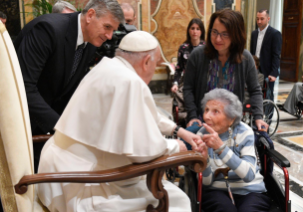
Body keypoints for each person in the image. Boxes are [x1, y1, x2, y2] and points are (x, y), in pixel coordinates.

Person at [37, 31, 204, 212]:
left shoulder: (108, 67)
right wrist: (177, 147)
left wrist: (178, 131)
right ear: (146, 61)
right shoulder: (130, 82)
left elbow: (145, 112)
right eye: (155, 64)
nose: (153, 69)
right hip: (84, 183)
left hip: (56, 172)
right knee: (178, 201)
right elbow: (144, 151)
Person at [14, 0, 125, 172]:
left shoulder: (89, 43)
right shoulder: (47, 30)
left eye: (113, 30)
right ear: (90, 16)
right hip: (19, 123)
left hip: (44, 128)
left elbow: (70, 88)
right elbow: (23, 87)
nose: (109, 36)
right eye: (107, 27)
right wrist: (60, 127)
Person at [183, 9, 267, 133]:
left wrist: (259, 117)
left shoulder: (245, 58)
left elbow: (255, 90)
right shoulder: (198, 55)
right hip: (203, 124)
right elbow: (188, 88)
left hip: (231, 125)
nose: (218, 39)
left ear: (236, 35)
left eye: (225, 34)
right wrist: (193, 116)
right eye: (215, 32)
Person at [199, 89, 270, 212]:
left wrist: (221, 148)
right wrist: (204, 159)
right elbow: (206, 182)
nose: (207, 116)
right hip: (216, 190)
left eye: (215, 111)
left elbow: (248, 175)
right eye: (206, 110)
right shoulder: (202, 134)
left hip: (251, 190)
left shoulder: (244, 132)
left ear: (231, 118)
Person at [250, 9, 282, 101]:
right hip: (255, 69)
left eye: (262, 19)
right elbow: (252, 52)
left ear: (268, 19)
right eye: (257, 19)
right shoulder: (254, 33)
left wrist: (274, 73)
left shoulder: (275, 34)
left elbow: (276, 55)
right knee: (254, 93)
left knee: (267, 94)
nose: (259, 21)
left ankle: (268, 115)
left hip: (268, 71)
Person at [171, 18, 205, 93]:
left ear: (201, 31)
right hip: (187, 83)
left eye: (198, 29)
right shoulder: (183, 48)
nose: (195, 31)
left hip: (202, 85)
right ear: (188, 30)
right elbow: (179, 68)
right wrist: (175, 84)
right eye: (192, 28)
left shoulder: (206, 48)